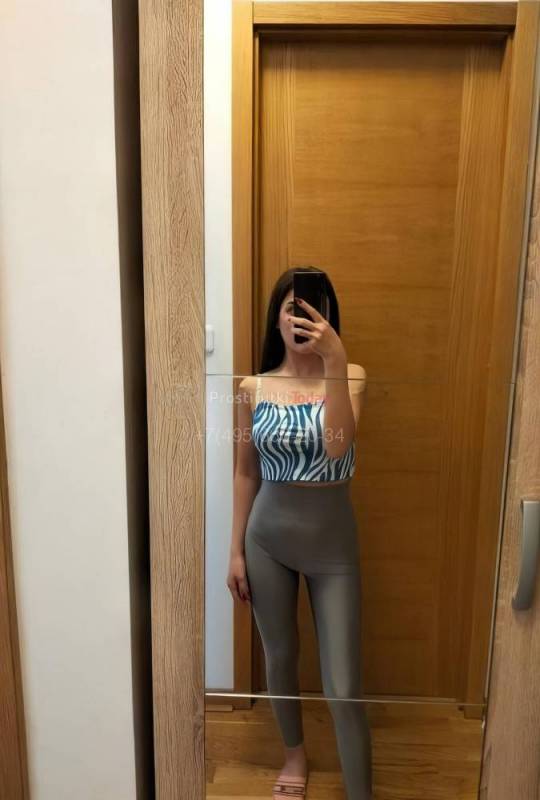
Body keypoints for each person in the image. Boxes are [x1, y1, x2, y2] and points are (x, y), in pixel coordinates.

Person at [226, 266, 373, 799]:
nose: (303, 318)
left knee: (344, 686)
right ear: (277, 318)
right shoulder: (252, 387)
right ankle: (294, 755)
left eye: (315, 308)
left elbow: (337, 447)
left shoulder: (350, 374)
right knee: (280, 657)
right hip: (267, 540)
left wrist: (334, 359)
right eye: (293, 308)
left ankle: (360, 791)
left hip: (333, 548)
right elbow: (245, 472)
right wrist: (234, 551)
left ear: (329, 318)